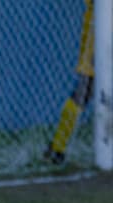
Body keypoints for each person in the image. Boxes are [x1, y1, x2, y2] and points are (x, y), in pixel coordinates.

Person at [44, 0, 94, 164]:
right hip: (97, 42)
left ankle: (58, 147)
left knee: (83, 93)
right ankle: (58, 147)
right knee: (83, 93)